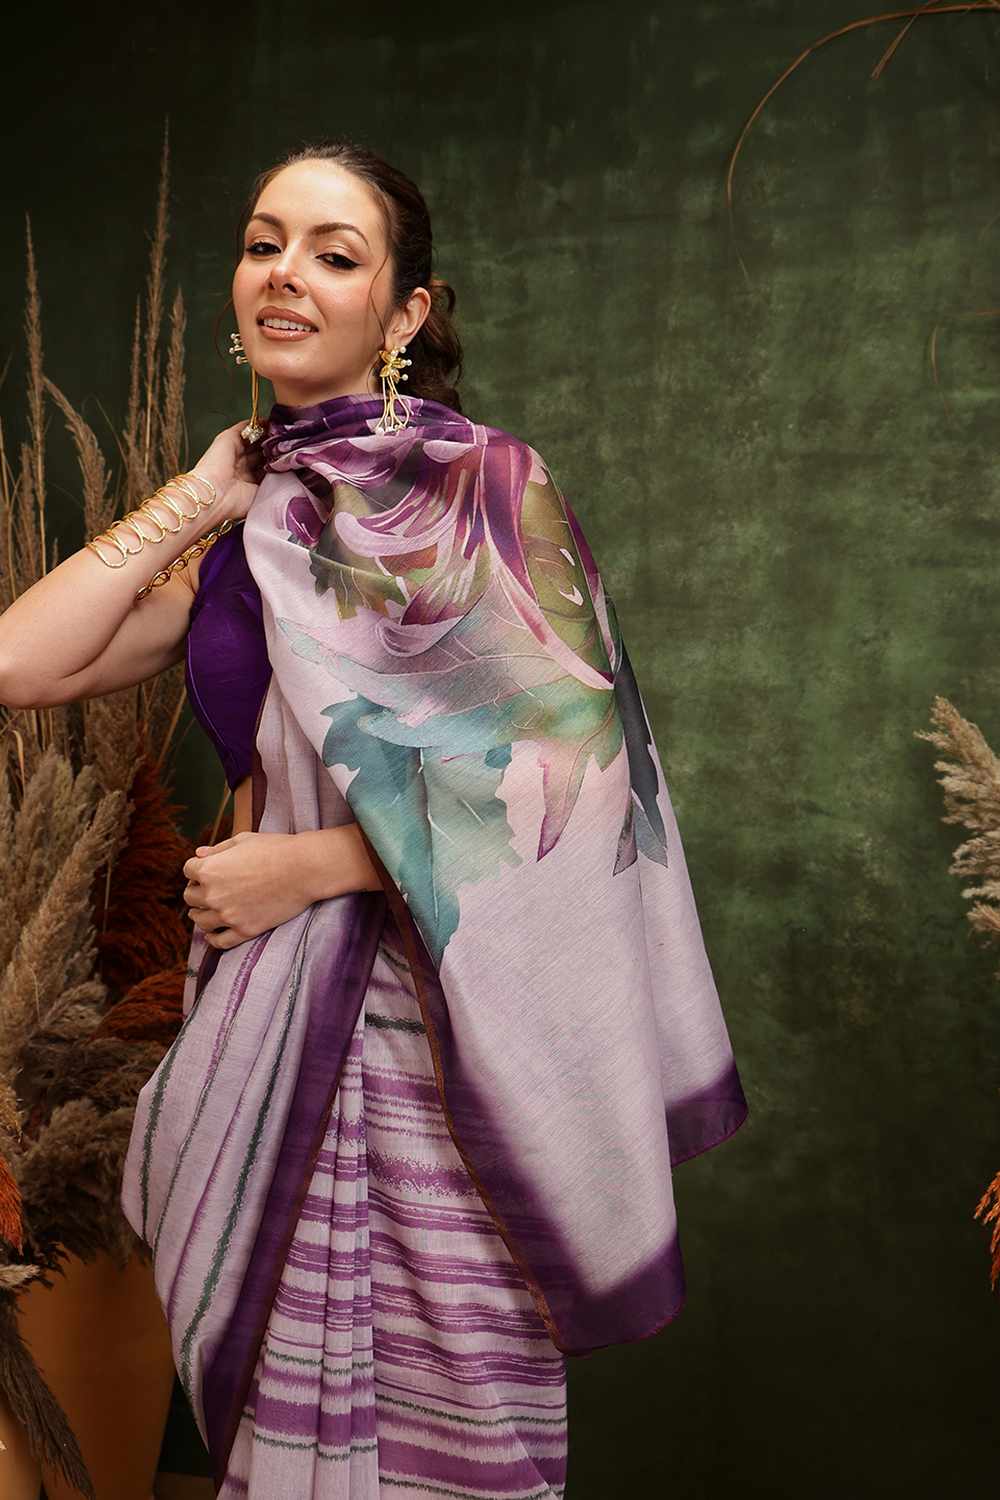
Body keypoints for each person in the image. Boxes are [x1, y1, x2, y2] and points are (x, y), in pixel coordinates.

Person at [0, 139, 749, 1499]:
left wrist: (313, 866)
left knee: (443, 1420)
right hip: (267, 1015)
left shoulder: (481, 490)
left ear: (404, 314)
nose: (285, 273)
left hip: (437, 1029)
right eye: (263, 242)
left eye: (334, 255)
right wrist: (205, 491)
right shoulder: (253, 527)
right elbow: (19, 664)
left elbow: (569, 781)